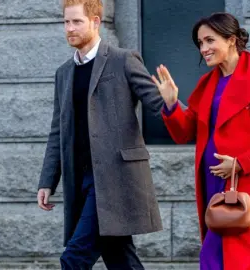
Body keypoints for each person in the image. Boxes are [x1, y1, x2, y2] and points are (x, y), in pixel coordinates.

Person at [151, 12, 250, 270]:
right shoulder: (207, 84)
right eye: (200, 43)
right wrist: (171, 104)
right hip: (214, 183)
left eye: (209, 40)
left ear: (231, 40)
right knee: (215, 258)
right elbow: (184, 132)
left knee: (238, 260)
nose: (203, 49)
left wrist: (241, 163)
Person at [37, 0, 164, 269]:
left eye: (77, 22)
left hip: (114, 179)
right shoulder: (63, 73)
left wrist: (174, 104)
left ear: (95, 22)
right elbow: (57, 131)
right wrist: (48, 180)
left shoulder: (122, 60)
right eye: (66, 22)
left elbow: (157, 102)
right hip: (80, 180)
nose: (69, 28)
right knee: (120, 259)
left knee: (74, 258)